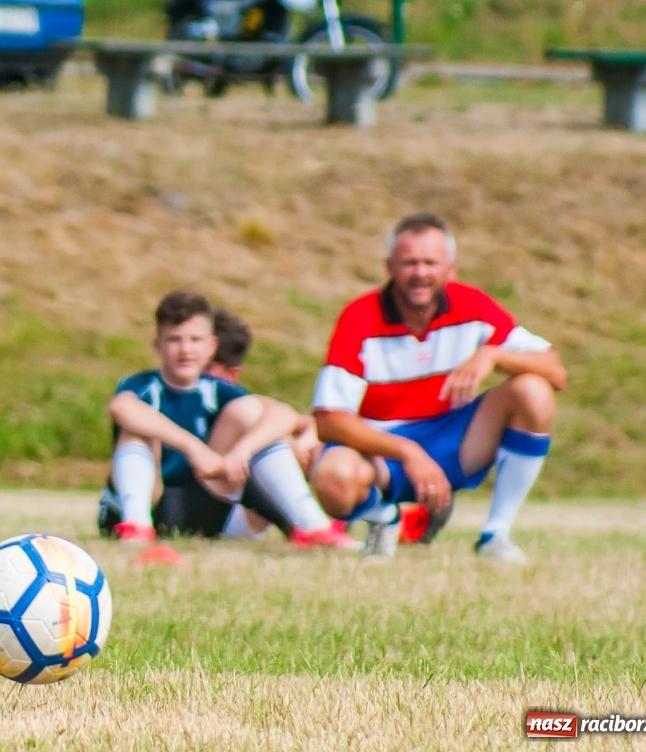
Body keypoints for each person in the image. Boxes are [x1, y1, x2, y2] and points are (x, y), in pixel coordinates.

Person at [308, 214, 566, 562]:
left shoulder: (472, 305)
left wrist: (492, 355)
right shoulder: (360, 317)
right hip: (382, 449)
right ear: (389, 267)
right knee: (331, 478)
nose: (420, 273)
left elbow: (556, 372)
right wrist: (409, 452)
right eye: (409, 263)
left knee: (533, 390)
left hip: (451, 441)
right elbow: (328, 420)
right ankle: (385, 518)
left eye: (430, 263)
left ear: (451, 269)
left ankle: (496, 535)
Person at [97, 292, 355, 565]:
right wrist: (193, 448)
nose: (185, 350)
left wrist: (242, 451)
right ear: (158, 345)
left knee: (248, 413)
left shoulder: (217, 391)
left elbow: (283, 415)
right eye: (174, 339)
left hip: (203, 502)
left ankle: (313, 526)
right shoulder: (143, 385)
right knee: (137, 430)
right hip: (149, 499)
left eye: (195, 340)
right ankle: (136, 528)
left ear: (211, 346)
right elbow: (121, 408)